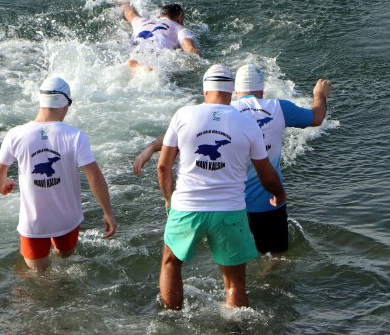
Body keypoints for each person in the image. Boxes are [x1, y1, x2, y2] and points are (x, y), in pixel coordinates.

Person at [133, 65, 332, 254]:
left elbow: (181, 134)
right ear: (261, 89)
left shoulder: (225, 111)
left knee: (232, 259)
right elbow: (316, 118)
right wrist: (319, 94)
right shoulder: (279, 108)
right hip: (267, 202)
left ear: (235, 90)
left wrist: (151, 148)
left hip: (230, 204)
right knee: (275, 256)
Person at [154, 64, 287, 310]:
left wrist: (168, 200)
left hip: (187, 207)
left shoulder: (183, 115)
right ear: (231, 91)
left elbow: (163, 167)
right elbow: (265, 173)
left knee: (171, 264)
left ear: (205, 90)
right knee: (235, 283)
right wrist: (279, 194)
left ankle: (171, 322)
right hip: (230, 210)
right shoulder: (248, 125)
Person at [0, 76, 117, 271]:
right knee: (65, 264)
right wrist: (107, 212)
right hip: (67, 220)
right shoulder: (75, 136)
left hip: (34, 224)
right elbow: (94, 177)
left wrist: (2, 183)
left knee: (38, 277)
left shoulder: (16, 134)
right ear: (66, 104)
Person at [120, 1, 200, 65]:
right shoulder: (180, 29)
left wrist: (122, 2)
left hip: (137, 48)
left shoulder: (141, 21)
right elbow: (190, 48)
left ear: (159, 15)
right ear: (179, 17)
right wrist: (199, 61)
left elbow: (128, 11)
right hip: (158, 54)